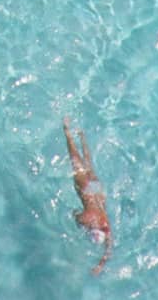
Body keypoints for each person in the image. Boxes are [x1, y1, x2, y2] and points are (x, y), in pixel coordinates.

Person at [62, 115, 112, 275]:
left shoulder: (106, 224)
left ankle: (82, 136)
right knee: (75, 160)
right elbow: (74, 213)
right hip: (85, 191)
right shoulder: (88, 218)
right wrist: (77, 221)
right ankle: (67, 131)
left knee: (89, 165)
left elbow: (109, 247)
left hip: (98, 191)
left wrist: (101, 264)